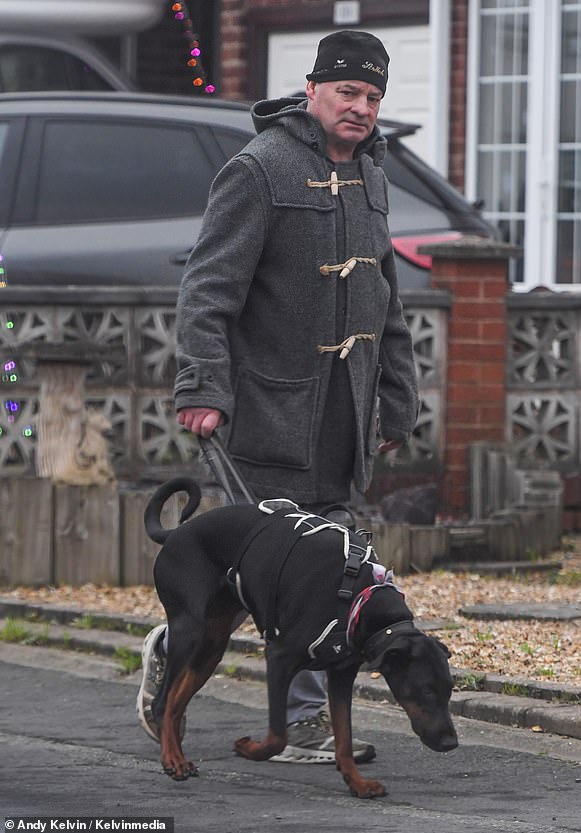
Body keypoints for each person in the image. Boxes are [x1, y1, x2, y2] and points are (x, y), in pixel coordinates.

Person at [137, 29, 419, 764]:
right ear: (312, 89)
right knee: (287, 572)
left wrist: (397, 398)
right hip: (267, 412)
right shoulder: (258, 170)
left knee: (331, 569)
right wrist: (202, 385)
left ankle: (181, 648)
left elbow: (386, 305)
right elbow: (207, 290)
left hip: (343, 417)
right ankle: (291, 714)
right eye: (348, 92)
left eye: (372, 97)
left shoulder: (374, 177)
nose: (360, 107)